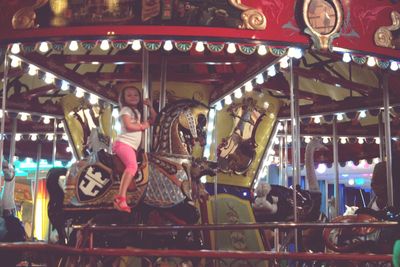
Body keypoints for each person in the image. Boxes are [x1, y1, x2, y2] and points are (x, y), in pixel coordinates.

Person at [113, 86, 157, 213]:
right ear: (124, 98)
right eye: (129, 95)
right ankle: (121, 198)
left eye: (136, 95)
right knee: (132, 166)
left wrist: (150, 106)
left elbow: (154, 119)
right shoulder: (125, 110)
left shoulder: (137, 112)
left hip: (131, 147)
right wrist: (143, 126)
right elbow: (128, 125)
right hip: (123, 144)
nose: (133, 97)